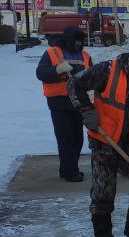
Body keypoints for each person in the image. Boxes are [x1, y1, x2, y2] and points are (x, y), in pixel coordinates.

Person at [68, 38, 129, 237]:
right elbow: (74, 83)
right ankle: (102, 236)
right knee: (104, 190)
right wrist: (86, 110)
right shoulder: (107, 71)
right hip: (104, 138)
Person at [34, 26, 91, 182]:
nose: (78, 44)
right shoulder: (52, 53)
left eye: (81, 41)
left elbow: (91, 75)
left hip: (79, 102)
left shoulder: (85, 55)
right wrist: (57, 69)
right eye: (76, 41)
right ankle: (69, 171)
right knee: (66, 138)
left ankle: (71, 168)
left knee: (77, 138)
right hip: (59, 102)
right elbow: (41, 73)